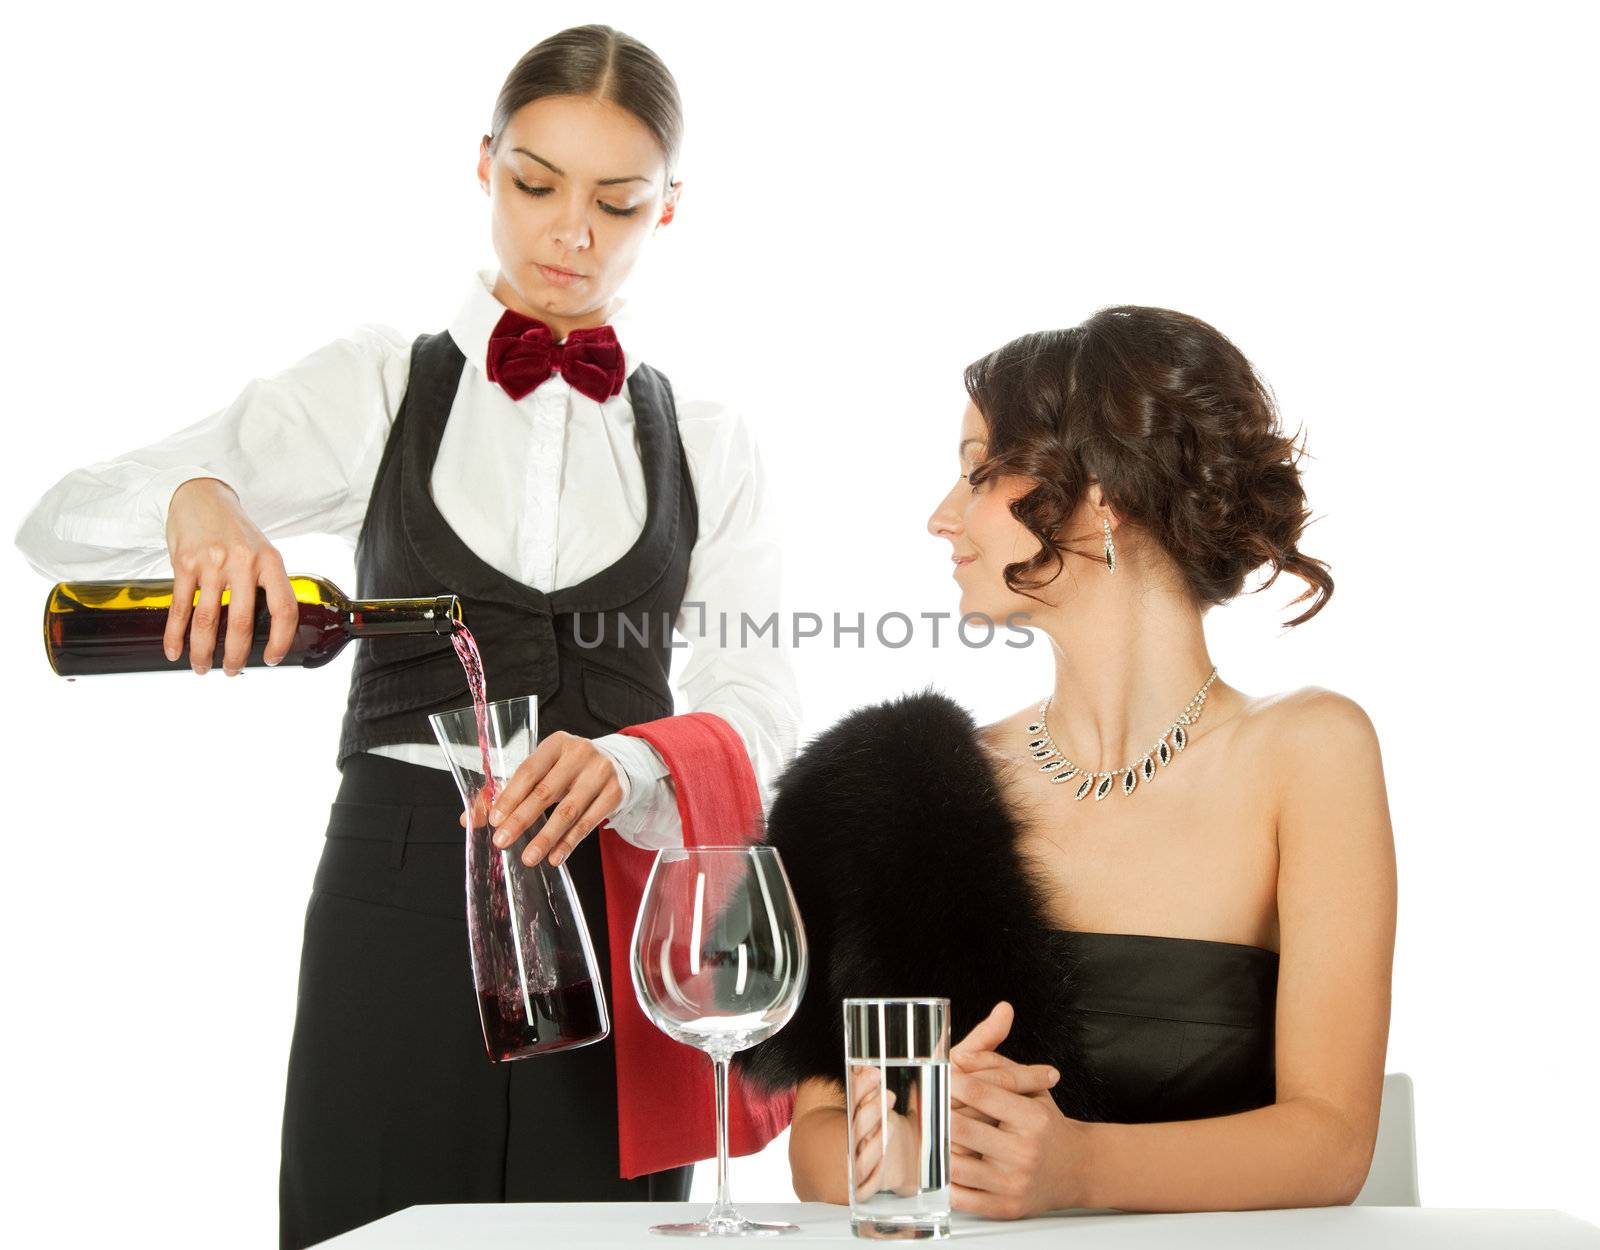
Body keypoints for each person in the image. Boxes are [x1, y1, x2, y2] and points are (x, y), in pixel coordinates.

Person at [15, 25, 800, 1249]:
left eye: (619, 202)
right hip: (397, 887)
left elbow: (760, 697)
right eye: (537, 185)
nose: (571, 234)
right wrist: (198, 499)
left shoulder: (708, 436)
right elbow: (56, 521)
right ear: (483, 164)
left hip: (614, 901)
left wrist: (636, 761)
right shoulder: (377, 386)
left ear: (672, 207)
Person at [736, 305, 1396, 1216]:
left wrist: (1076, 1169)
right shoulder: (905, 788)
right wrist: (899, 1151)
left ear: (1102, 493)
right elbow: (814, 1141)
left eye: (977, 475)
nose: (940, 516)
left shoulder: (1310, 751)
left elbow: (1331, 1143)